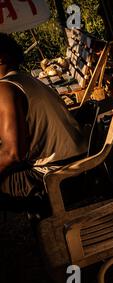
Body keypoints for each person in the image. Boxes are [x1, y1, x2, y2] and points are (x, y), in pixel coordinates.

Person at [0, 33, 87, 202]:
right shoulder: (25, 80)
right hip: (77, 164)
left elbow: (13, 153)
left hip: (58, 177)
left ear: (1, 58)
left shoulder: (5, 88)